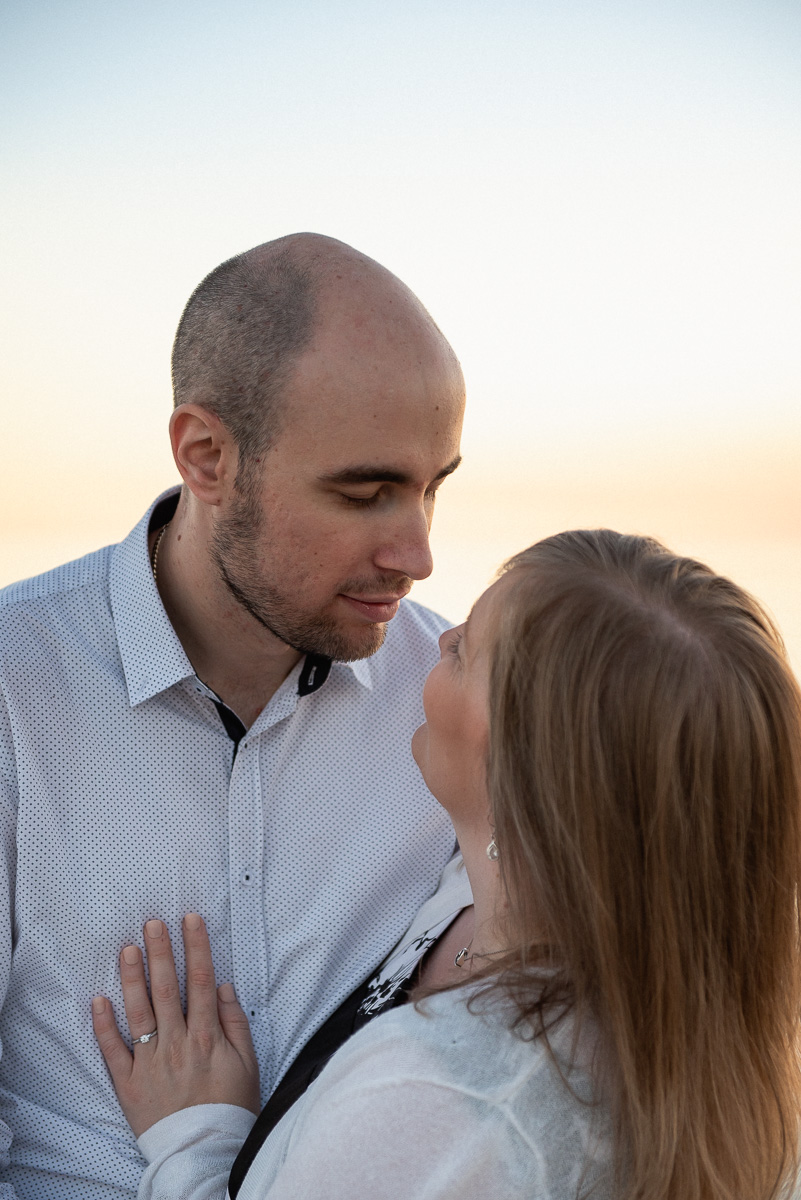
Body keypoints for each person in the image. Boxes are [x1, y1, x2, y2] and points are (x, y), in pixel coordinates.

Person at [94, 529, 801, 1200]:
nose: (436, 637)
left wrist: (195, 1142)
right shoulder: (715, 1016)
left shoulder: (436, 1097)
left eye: (466, 650)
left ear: (526, 763)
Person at [0, 234, 466, 1197]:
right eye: (365, 492)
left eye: (431, 488)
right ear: (206, 455)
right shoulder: (15, 684)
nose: (416, 553)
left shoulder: (462, 701)